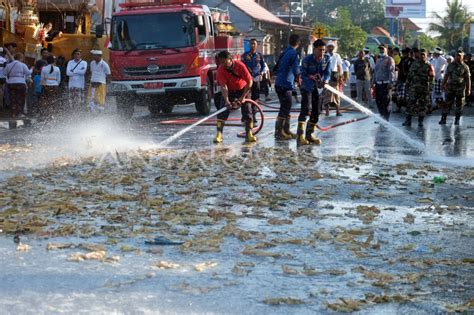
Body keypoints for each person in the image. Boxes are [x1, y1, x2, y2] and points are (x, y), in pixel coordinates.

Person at [213, 50, 254, 143]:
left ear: (230, 59)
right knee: (222, 112)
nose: (222, 64)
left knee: (247, 111)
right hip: (230, 91)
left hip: (243, 90)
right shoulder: (220, 69)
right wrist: (227, 100)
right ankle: (219, 134)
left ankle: (249, 134)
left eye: (224, 61)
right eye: (221, 62)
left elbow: (250, 82)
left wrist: (243, 97)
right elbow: (223, 86)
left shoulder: (240, 66)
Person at [298, 39, 331, 146]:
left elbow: (328, 72)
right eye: (319, 50)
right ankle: (300, 136)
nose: (322, 52)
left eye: (323, 50)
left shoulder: (326, 59)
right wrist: (310, 77)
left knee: (317, 111)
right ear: (314, 49)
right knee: (306, 108)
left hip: (319, 88)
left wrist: (325, 80)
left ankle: (309, 134)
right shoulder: (307, 60)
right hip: (307, 87)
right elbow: (302, 73)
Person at [274, 34, 301, 140]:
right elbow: (296, 70)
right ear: (298, 43)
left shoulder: (284, 52)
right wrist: (299, 80)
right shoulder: (294, 54)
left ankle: (286, 130)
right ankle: (279, 132)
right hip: (285, 84)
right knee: (286, 106)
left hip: (279, 83)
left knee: (286, 106)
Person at [403, 49, 434, 127]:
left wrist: (430, 88)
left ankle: (420, 121)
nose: (422, 56)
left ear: (426, 56)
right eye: (421, 54)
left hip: (424, 89)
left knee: (423, 105)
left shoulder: (429, 65)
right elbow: (409, 76)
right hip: (413, 88)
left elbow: (432, 78)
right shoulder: (414, 64)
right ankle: (408, 120)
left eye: (424, 54)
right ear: (418, 55)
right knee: (410, 104)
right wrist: (407, 86)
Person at [439, 49, 471, 125]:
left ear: (462, 57)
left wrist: (468, 89)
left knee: (459, 105)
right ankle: (443, 119)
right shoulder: (450, 65)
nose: (458, 57)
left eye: (460, 56)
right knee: (447, 103)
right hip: (450, 88)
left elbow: (467, 79)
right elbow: (446, 76)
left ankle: (457, 120)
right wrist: (443, 84)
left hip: (460, 88)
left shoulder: (465, 67)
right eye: (457, 55)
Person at [241, 39, 265, 123]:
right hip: (247, 79)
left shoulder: (259, 55)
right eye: (251, 44)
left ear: (256, 45)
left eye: (254, 44)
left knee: (255, 98)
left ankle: (254, 116)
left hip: (256, 78)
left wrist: (261, 74)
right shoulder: (245, 55)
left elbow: (263, 66)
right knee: (245, 97)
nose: (253, 45)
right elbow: (242, 66)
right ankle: (245, 116)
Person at [373, 44, 395, 121]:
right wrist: (373, 82)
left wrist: (391, 82)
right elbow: (375, 72)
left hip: (386, 84)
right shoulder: (378, 59)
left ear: (386, 50)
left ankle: (386, 118)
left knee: (386, 102)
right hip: (378, 84)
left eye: (383, 49)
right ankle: (382, 117)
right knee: (378, 101)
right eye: (380, 49)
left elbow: (391, 71)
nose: (381, 50)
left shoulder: (389, 59)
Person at [4, 53, 30, 118]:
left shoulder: (9, 65)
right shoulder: (23, 65)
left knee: (13, 99)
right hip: (21, 83)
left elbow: (4, 73)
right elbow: (28, 73)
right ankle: (19, 114)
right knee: (20, 99)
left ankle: (13, 114)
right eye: (22, 58)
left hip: (11, 83)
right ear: (21, 58)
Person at [322, 40, 343, 116]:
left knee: (336, 93)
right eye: (329, 47)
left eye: (332, 47)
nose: (331, 48)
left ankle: (338, 111)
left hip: (335, 75)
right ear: (327, 48)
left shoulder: (337, 55)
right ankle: (327, 111)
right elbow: (322, 67)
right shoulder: (324, 56)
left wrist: (340, 76)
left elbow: (339, 66)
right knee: (326, 94)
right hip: (326, 76)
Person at [395, 47, 414, 112]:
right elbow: (399, 69)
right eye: (403, 53)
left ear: (409, 53)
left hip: (408, 81)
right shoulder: (402, 60)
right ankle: (398, 108)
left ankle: (408, 108)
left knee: (407, 96)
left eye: (405, 53)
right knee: (398, 95)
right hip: (401, 79)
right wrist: (397, 79)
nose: (404, 54)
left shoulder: (412, 61)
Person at [430, 47, 447, 112]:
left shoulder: (442, 59)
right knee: (433, 92)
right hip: (434, 79)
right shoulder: (433, 60)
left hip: (439, 78)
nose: (433, 54)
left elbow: (446, 65)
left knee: (441, 92)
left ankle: (444, 105)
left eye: (434, 53)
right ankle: (434, 105)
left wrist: (443, 71)